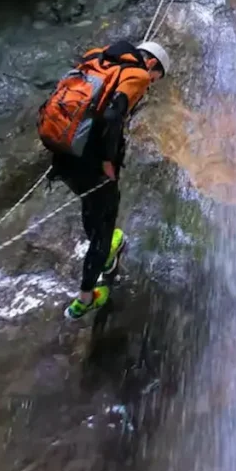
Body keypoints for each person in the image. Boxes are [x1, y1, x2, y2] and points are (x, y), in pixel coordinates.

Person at [42, 39, 171, 319]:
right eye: (155, 77)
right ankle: (86, 298)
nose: (151, 83)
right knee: (104, 222)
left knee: (91, 206)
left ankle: (106, 248)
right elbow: (113, 116)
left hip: (64, 151)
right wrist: (108, 162)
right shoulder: (136, 76)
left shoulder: (97, 58)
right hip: (91, 162)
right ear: (151, 64)